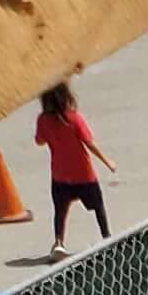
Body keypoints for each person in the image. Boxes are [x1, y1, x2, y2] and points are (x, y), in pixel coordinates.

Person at [32, 83, 110, 256]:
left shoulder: (43, 120)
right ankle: (107, 237)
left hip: (60, 175)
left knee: (60, 210)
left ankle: (59, 242)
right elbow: (89, 143)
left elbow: (39, 141)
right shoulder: (75, 118)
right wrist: (108, 162)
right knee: (98, 207)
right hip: (84, 175)